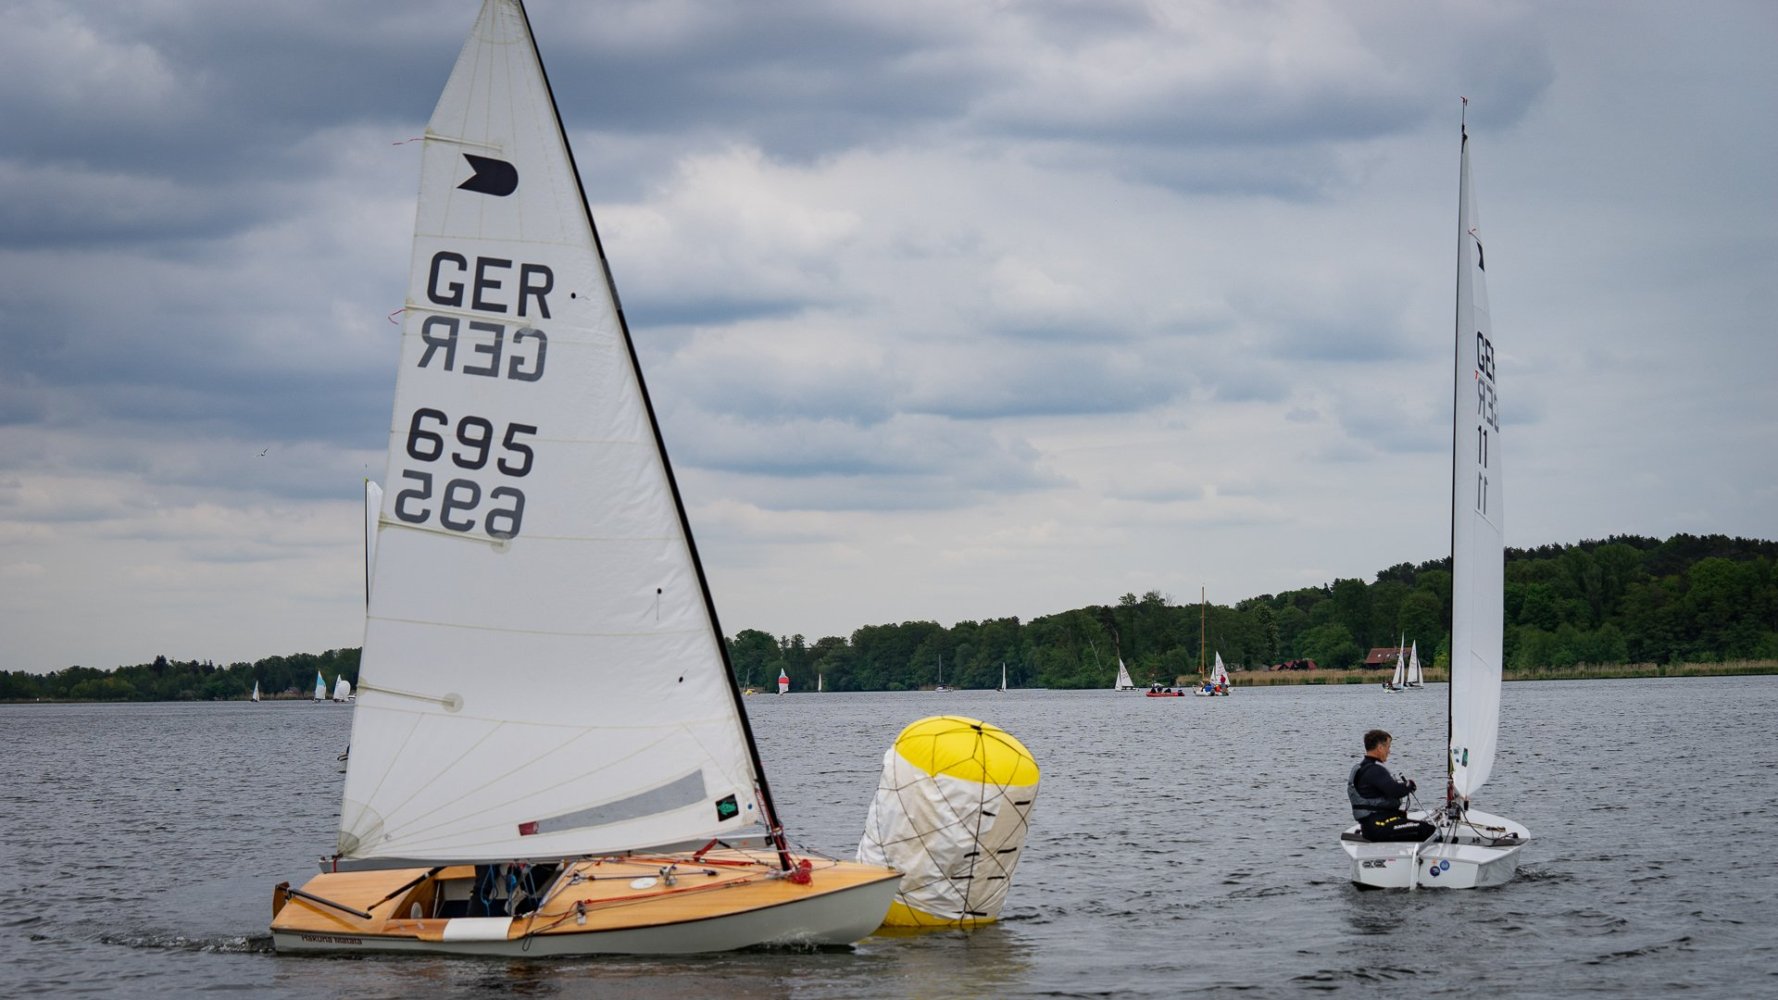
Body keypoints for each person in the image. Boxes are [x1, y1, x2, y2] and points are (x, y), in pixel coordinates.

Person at [1347, 729, 1435, 842]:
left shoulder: (1363, 767)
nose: (1389, 751)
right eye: (1388, 747)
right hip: (1379, 827)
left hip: (1373, 826)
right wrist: (1409, 785)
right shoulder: (1374, 770)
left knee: (1416, 826)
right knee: (1428, 830)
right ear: (1380, 748)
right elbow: (1395, 791)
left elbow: (1386, 788)